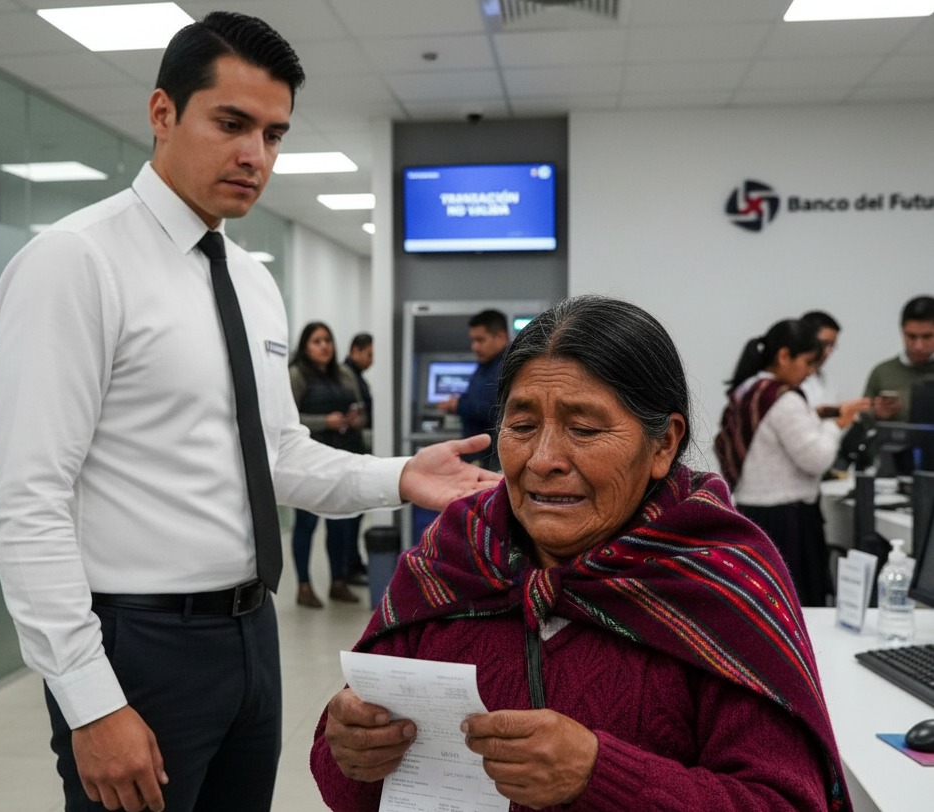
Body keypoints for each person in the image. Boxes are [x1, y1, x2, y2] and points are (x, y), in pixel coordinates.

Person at [0, 12, 499, 812]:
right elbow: (27, 504)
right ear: (162, 113)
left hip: (250, 634)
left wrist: (403, 474)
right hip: (138, 643)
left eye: (273, 133)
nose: (254, 154)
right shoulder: (76, 262)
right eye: (231, 123)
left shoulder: (251, 281)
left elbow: (280, 457)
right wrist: (91, 701)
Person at [311, 296, 849, 812]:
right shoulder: (453, 557)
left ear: (663, 444)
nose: (543, 459)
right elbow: (344, 785)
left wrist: (599, 775)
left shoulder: (718, 580)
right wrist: (349, 751)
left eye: (585, 429)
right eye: (521, 427)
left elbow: (786, 800)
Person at [714, 319, 867, 606]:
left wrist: (814, 416)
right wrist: (839, 424)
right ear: (784, 355)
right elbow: (816, 459)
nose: (810, 373)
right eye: (808, 363)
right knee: (799, 608)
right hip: (788, 521)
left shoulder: (747, 390)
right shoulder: (784, 399)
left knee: (764, 609)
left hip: (752, 512)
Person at [289, 321, 366, 608]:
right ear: (305, 346)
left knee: (341, 524)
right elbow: (288, 419)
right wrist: (325, 422)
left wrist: (355, 419)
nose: (324, 346)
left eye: (327, 340)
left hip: (342, 458)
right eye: (316, 341)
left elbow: (361, 408)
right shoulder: (296, 375)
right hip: (308, 461)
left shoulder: (343, 374)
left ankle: (338, 581)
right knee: (306, 525)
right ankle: (304, 586)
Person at [438, 309, 509, 471]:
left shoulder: (508, 368)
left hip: (494, 460)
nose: (474, 347)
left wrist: (459, 406)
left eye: (480, 340)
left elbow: (498, 412)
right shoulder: (485, 365)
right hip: (479, 458)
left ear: (501, 337)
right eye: (473, 340)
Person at [863, 294, 934, 421]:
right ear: (902, 331)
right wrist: (877, 414)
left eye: (927, 337)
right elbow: (860, 424)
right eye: (911, 336)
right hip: (893, 440)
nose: (918, 346)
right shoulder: (882, 373)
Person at [342, 333, 374, 585]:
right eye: (369, 354)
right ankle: (348, 568)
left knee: (356, 514)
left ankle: (353, 563)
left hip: (357, 450)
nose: (372, 360)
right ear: (356, 350)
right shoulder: (346, 375)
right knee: (348, 519)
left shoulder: (356, 376)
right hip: (348, 451)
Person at [800, 310, 841, 411]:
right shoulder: (786, 380)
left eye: (832, 346)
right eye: (824, 344)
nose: (828, 352)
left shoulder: (828, 380)